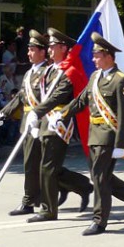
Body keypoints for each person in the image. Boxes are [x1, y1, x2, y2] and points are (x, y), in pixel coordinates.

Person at [58, 33, 124, 235]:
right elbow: (81, 101)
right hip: (93, 135)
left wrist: (120, 144)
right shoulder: (95, 77)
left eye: (96, 55)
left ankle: (99, 220)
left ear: (107, 56)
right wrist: (61, 114)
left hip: (109, 136)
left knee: (99, 178)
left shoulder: (120, 80)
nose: (93, 59)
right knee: (100, 175)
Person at [25, 28, 94, 221]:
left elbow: (58, 97)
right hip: (44, 122)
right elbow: (41, 97)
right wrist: (36, 117)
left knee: (48, 167)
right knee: (46, 166)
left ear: (64, 48)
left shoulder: (68, 72)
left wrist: (37, 112)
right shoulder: (49, 70)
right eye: (49, 46)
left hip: (59, 124)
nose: (49, 50)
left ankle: (48, 210)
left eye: (53, 46)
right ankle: (82, 186)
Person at [0, 30, 50, 216]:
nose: (28, 53)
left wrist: (40, 119)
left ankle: (30, 201)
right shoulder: (28, 74)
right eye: (29, 49)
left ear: (42, 52)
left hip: (41, 124)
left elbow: (49, 101)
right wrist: (3, 113)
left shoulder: (48, 73)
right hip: (27, 124)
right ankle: (34, 199)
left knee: (38, 165)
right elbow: (20, 98)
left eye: (32, 49)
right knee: (32, 164)